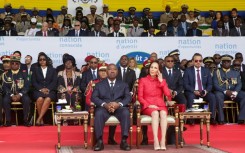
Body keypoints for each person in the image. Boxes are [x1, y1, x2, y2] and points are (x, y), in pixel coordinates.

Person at [92, 64, 131, 151]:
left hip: (119, 108)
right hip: (104, 107)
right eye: (110, 69)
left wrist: (119, 104)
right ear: (106, 71)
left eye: (114, 69)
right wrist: (105, 105)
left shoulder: (124, 84)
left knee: (125, 112)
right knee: (98, 113)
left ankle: (124, 141)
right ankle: (99, 141)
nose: (112, 71)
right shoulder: (99, 85)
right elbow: (94, 97)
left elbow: (128, 97)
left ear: (117, 72)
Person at [138, 61, 171, 150]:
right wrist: (148, 105)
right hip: (148, 106)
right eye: (151, 67)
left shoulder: (162, 81)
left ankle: (163, 139)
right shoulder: (143, 80)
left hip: (160, 104)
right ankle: (156, 140)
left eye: (155, 68)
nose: (153, 69)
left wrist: (161, 82)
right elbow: (140, 97)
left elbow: (168, 94)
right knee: (155, 113)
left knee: (163, 113)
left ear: (159, 70)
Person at [183, 53, 217, 125]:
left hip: (203, 92)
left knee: (212, 97)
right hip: (192, 92)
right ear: (192, 61)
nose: (198, 62)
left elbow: (210, 84)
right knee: (190, 97)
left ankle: (212, 118)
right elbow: (185, 85)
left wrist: (206, 91)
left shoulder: (206, 70)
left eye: (200, 61)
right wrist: (194, 91)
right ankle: (191, 118)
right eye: (196, 61)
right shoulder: (187, 71)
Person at [213, 55, 245, 124]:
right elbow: (215, 85)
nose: (226, 63)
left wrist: (235, 92)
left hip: (234, 92)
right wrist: (225, 91)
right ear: (221, 63)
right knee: (218, 96)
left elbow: (239, 84)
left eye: (228, 61)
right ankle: (221, 119)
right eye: (224, 62)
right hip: (222, 92)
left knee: (244, 95)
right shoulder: (217, 72)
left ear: (230, 63)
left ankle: (241, 118)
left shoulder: (235, 72)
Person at [2, 55, 31, 127]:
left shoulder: (24, 73)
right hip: (10, 94)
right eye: (12, 63)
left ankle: (25, 120)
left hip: (21, 94)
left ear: (19, 64)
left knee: (27, 99)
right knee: (5, 100)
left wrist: (20, 94)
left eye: (16, 63)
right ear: (10, 64)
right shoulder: (6, 74)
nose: (14, 65)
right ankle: (8, 121)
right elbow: (5, 87)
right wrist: (11, 95)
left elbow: (27, 86)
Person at [31, 53, 57, 126]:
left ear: (46, 60)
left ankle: (39, 119)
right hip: (38, 90)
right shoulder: (35, 70)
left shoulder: (53, 70)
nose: (42, 61)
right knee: (40, 99)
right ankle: (41, 120)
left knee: (48, 99)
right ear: (38, 61)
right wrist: (41, 89)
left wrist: (48, 89)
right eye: (40, 60)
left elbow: (54, 81)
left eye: (44, 59)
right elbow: (34, 82)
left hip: (50, 90)